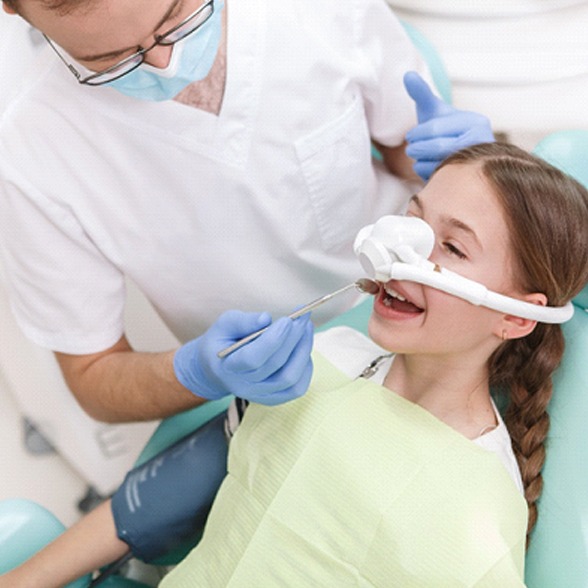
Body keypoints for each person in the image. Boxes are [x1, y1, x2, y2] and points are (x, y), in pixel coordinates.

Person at [2, 142, 587, 587]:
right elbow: (161, 499)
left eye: (453, 247)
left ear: (515, 317)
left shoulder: (473, 522)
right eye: (414, 220)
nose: (400, 252)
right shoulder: (321, 361)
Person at [0, 0, 494, 423]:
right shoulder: (30, 149)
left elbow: (402, 149)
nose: (165, 63)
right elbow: (93, 376)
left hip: (436, 310)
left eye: (177, 17)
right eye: (111, 61)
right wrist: (196, 371)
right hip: (283, 395)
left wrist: (454, 159)